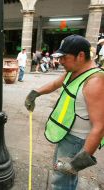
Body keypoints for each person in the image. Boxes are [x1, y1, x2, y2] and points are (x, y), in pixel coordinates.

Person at [24, 35, 104, 190]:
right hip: (66, 134)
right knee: (64, 178)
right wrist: (35, 92)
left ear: (80, 55)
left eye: (64, 57)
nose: (60, 61)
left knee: (61, 182)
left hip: (76, 141)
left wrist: (78, 162)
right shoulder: (74, 71)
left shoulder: (95, 82)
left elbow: (99, 127)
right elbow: (55, 83)